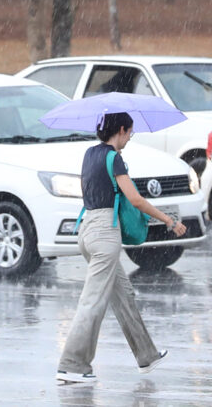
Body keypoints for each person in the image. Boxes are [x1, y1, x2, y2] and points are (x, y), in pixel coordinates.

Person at [56, 112, 187, 384]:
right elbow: (136, 199)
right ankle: (72, 365)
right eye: (130, 133)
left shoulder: (90, 154)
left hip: (88, 229)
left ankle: (147, 356)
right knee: (93, 301)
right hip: (105, 234)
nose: (129, 138)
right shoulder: (114, 158)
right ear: (122, 129)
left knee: (123, 295)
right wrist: (169, 221)